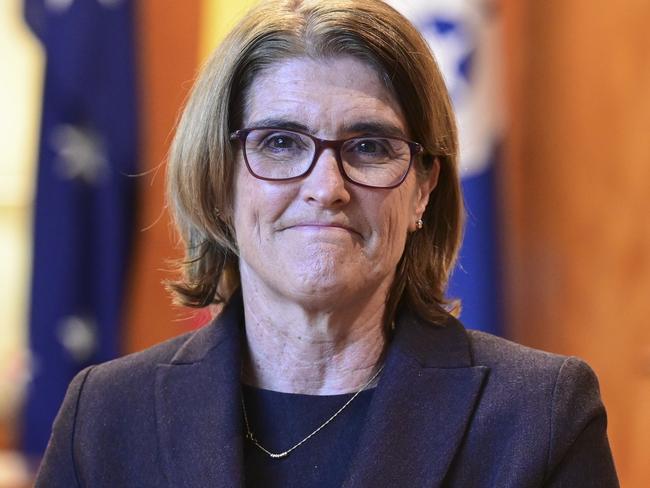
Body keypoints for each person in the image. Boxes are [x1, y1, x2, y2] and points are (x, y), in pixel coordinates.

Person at [35, 0, 619, 486]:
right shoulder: (106, 417)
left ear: (422, 191)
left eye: (369, 146)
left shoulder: (539, 415)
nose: (326, 188)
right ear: (218, 178)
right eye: (282, 143)